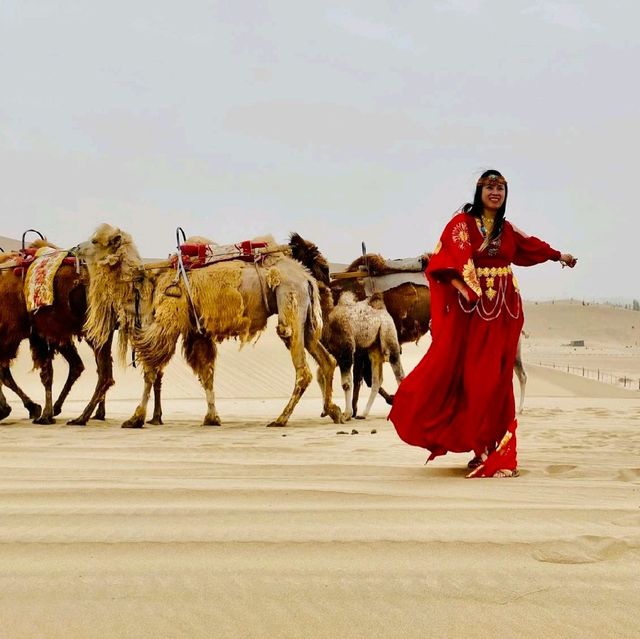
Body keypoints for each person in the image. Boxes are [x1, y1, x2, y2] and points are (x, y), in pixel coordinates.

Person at [388, 170, 577, 478]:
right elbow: (445, 260)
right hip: (474, 311)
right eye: (490, 186)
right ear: (479, 191)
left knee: (500, 378)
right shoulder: (462, 224)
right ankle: (480, 447)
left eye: (500, 187)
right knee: (477, 376)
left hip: (505, 310)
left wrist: (559, 256)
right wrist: (466, 289)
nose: (495, 192)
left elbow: (531, 246)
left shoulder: (507, 229)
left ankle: (497, 447)